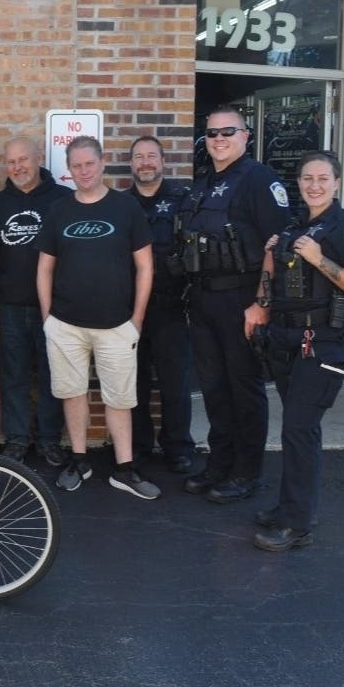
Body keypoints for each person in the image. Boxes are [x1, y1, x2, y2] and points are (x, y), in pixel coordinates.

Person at [247, 151, 344, 551]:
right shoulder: (294, 226)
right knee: (298, 429)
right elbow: (275, 277)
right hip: (289, 340)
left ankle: (297, 524)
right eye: (307, 178)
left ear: (336, 182)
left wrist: (320, 260)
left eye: (322, 178)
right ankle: (292, 506)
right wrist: (269, 261)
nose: (314, 185)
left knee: (299, 429)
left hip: (326, 345)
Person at [36, 136, 160, 500]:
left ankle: (125, 469)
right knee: (72, 393)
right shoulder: (59, 210)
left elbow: (145, 266)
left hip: (117, 326)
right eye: (76, 166)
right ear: (69, 170)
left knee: (120, 398)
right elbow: (44, 268)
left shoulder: (126, 207)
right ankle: (79, 461)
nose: (84, 171)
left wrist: (137, 319)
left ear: (102, 163)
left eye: (89, 163)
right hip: (65, 325)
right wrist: (48, 319)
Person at [178, 105, 290, 502]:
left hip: (242, 300)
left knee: (244, 387)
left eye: (228, 132)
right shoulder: (205, 182)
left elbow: (278, 247)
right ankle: (220, 463)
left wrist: (262, 304)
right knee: (213, 387)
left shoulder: (260, 181)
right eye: (212, 133)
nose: (219, 139)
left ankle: (247, 472)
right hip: (204, 299)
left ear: (246, 136)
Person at [0, 137, 72, 466]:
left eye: (23, 159)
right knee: (13, 377)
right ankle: (17, 439)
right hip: (10, 308)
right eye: (11, 161)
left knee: (53, 376)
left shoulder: (63, 199)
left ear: (39, 158)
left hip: (56, 310)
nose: (18, 167)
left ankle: (49, 440)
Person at [126, 136, 196, 474]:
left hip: (172, 306)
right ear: (131, 164)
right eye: (139, 157)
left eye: (151, 156)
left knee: (175, 383)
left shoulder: (183, 200)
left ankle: (178, 447)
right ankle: (139, 446)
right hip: (129, 309)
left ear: (163, 161)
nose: (145, 162)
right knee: (134, 382)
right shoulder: (121, 204)